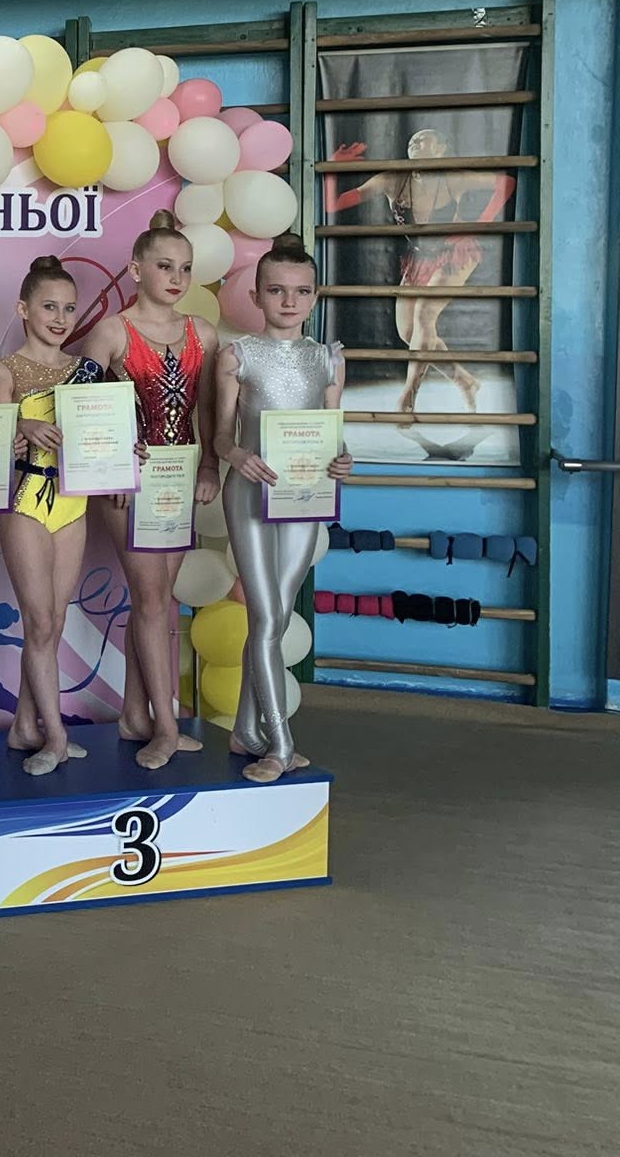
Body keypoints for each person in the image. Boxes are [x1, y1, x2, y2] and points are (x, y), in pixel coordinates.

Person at [75, 210, 219, 770]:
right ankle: (166, 726)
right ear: (136, 269)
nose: (176, 278)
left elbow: (209, 412)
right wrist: (110, 462)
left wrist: (209, 468)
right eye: (164, 266)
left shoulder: (202, 333)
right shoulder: (112, 332)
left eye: (185, 268)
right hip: (129, 482)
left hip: (179, 476)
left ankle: (137, 714)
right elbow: (80, 407)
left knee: (159, 601)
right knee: (153, 599)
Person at [213, 234, 352, 782]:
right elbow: (220, 436)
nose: (289, 301)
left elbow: (334, 434)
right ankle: (280, 742)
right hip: (249, 492)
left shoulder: (328, 359)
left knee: (274, 616)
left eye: (301, 291)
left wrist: (343, 459)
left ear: (315, 296)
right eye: (276, 290)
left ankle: (245, 729)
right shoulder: (238, 356)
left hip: (303, 496)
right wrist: (237, 456)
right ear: (256, 295)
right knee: (268, 616)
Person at [0, 254, 102, 775]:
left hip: (73, 503)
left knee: (54, 621)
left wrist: (127, 452)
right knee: (37, 621)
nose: (60, 318)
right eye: (49, 307)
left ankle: (23, 726)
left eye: (69, 308)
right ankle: (55, 736)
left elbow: (102, 435)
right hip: (25, 499)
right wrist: (21, 425)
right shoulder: (5, 370)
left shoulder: (85, 373)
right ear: (23, 309)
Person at [322, 128, 515, 416]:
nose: (415, 141)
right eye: (412, 139)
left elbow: (506, 182)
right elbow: (333, 204)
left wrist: (477, 226)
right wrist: (332, 168)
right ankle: (465, 381)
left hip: (454, 253)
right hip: (419, 259)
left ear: (441, 148)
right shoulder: (392, 179)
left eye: (424, 138)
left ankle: (408, 395)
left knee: (425, 315)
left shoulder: (455, 177)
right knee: (410, 333)